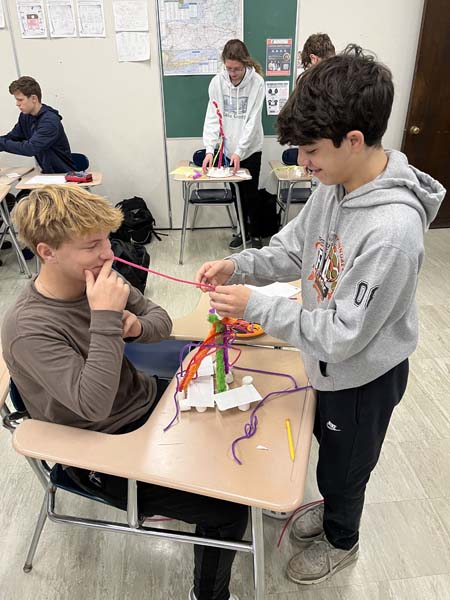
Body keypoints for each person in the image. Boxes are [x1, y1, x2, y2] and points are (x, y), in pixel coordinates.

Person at [195, 45, 445, 585]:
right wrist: (236, 267)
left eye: (310, 151)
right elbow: (291, 251)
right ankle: (332, 508)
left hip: (362, 375)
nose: (302, 163)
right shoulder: (335, 186)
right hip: (329, 365)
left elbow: (342, 336)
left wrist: (257, 306)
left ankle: (343, 539)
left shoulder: (392, 235)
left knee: (345, 466)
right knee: (327, 450)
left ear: (354, 141)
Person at [1, 185, 247, 600]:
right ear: (47, 252)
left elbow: (160, 319)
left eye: (106, 240)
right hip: (97, 446)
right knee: (228, 512)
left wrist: (134, 327)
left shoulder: (99, 279)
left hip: (142, 401)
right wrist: (105, 318)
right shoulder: (28, 328)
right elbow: (92, 405)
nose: (107, 254)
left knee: (236, 425)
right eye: (91, 245)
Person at [202, 39, 265, 250]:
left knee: (251, 194)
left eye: (237, 69)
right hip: (228, 150)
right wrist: (210, 149)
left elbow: (252, 121)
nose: (233, 73)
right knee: (236, 194)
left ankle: (255, 235)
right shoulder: (217, 83)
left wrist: (241, 151)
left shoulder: (257, 83)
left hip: (251, 148)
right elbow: (213, 117)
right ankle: (242, 232)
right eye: (229, 68)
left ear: (245, 63)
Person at [0, 76, 74, 173]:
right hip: (47, 174)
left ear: (34, 98)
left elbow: (31, 148)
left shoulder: (50, 121)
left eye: (20, 100)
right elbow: (12, 137)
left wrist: (1, 143)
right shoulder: (25, 116)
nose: (17, 104)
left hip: (62, 176)